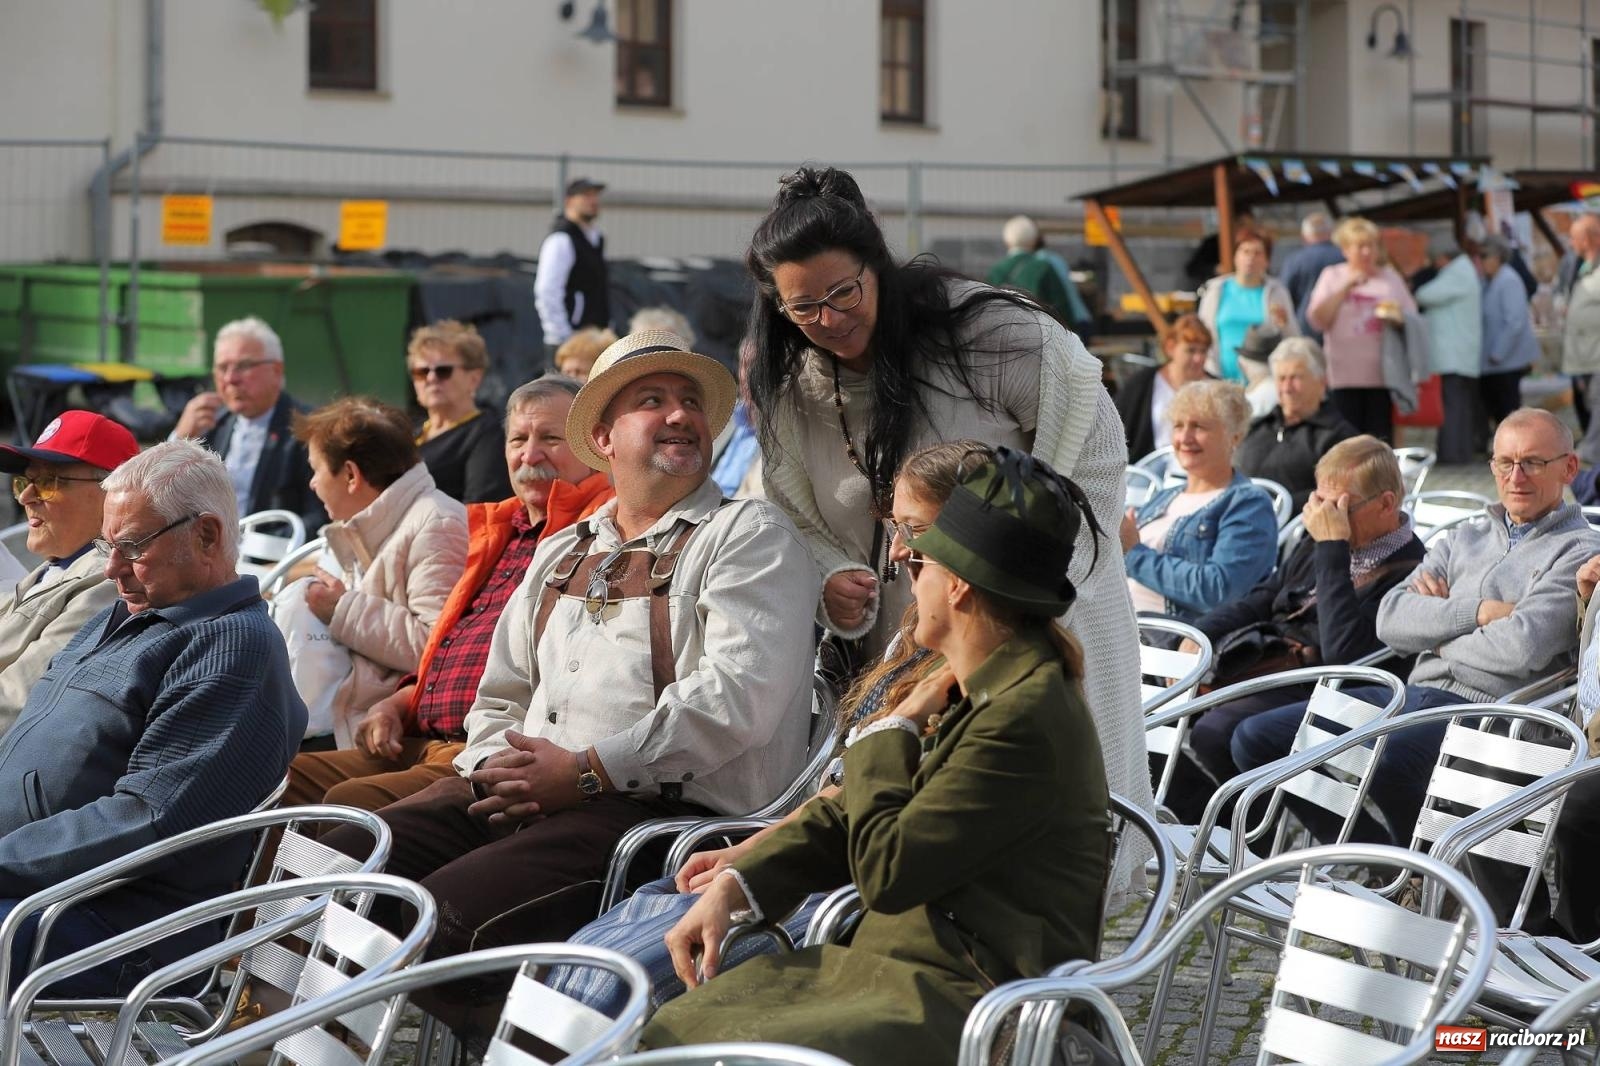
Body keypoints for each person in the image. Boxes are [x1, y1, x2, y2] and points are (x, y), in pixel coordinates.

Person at [319, 331, 818, 1028]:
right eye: (653, 400)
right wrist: (503, 766)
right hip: (531, 799)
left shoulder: (747, 535)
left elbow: (735, 702)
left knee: (441, 922)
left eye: (690, 403)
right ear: (606, 438)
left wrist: (585, 772)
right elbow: (500, 693)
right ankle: (286, 1038)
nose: (680, 415)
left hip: (659, 820)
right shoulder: (564, 549)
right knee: (334, 862)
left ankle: (517, 1039)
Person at [743, 166, 1151, 886]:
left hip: (1040, 625)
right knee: (908, 851)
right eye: (803, 307)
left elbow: (1093, 452)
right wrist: (829, 573)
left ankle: (1055, 988)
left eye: (844, 293)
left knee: (1042, 861)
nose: (829, 319)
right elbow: (786, 511)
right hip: (900, 649)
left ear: (878, 266)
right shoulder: (785, 374)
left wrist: (1013, 589)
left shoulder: (989, 333)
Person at [639, 448, 1111, 1065]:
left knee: (687, 1042)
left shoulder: (1021, 712)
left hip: (978, 1002)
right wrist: (737, 884)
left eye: (919, 562)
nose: (906, 573)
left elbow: (889, 869)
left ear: (959, 585)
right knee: (673, 1028)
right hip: (902, 971)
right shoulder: (990, 684)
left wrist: (890, 731)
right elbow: (849, 816)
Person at [546, 439, 975, 1014]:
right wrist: (749, 851)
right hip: (820, 870)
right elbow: (840, 799)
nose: (896, 553)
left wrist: (752, 876)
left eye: (915, 533)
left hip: (861, 913)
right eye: (895, 529)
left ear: (972, 546)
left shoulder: (990, 690)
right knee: (583, 963)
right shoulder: (919, 644)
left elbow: (882, 840)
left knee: (613, 990)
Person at [0, 440, 306, 994]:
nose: (112, 567)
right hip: (42, 895)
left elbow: (147, 821)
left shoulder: (231, 648)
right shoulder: (132, 609)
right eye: (105, 544)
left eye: (132, 546)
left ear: (206, 536)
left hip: (104, 929)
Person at [1232, 409, 1598, 845]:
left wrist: (1438, 636)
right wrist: (1477, 612)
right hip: (1411, 696)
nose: (1516, 475)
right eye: (1505, 462)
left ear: (1569, 468)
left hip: (1491, 712)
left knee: (1391, 759)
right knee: (1255, 738)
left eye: (1533, 462)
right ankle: (1372, 857)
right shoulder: (1465, 536)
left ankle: (1419, 874)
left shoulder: (1578, 549)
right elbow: (1391, 617)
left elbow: (1520, 648)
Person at [283, 378, 612, 809]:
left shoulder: (599, 532)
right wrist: (398, 704)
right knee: (274, 777)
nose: (530, 455)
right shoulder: (501, 530)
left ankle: (330, 879)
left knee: (348, 803)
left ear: (593, 446)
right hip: (416, 737)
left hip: (484, 749)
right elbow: (447, 647)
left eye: (551, 438)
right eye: (518, 439)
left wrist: (342, 608)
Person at [1161, 436, 1424, 823]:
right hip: (1267, 663)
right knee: (1148, 706)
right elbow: (1265, 596)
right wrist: (1197, 637)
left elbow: (1345, 654)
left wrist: (1332, 547)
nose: (1323, 515)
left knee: (1216, 730)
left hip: (1331, 684)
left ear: (1387, 504)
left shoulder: (1411, 570)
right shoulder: (1324, 537)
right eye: (1318, 502)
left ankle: (1256, 842)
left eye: (1339, 506)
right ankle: (1204, 824)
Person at [292, 398, 467, 749]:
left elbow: (434, 646)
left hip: (387, 731)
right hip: (349, 717)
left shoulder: (438, 523)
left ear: (351, 476)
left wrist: (341, 609)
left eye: (317, 470)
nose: (312, 483)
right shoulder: (364, 523)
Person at [0, 411, 139, 731]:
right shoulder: (58, 565)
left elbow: (20, 701)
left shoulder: (109, 582)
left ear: (113, 494)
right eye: (24, 481)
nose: (25, 497)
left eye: (48, 482)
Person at [1121, 381, 1278, 621]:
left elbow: (1218, 590)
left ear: (1233, 437)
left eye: (1199, 426)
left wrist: (1133, 553)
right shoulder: (1165, 497)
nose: (1185, 437)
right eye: (1178, 425)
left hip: (1173, 637)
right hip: (1119, 624)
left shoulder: (1248, 504)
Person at [173, 316, 326, 533]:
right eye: (222, 368)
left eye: (244, 366)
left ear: (277, 371)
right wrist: (179, 439)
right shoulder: (209, 422)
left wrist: (259, 548)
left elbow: (321, 517)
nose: (230, 379)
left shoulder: (309, 429)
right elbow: (166, 500)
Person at [1306, 217, 1417, 442]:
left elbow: (1413, 319)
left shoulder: (1390, 277)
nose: (1367, 252)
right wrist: (1345, 288)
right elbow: (1317, 320)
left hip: (1383, 374)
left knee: (1379, 441)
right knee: (1347, 441)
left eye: (1372, 245)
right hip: (1343, 374)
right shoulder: (1332, 275)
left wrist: (1397, 317)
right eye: (1360, 246)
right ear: (1346, 249)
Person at [1233, 337, 1357, 510]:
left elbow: (1339, 495)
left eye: (1295, 378)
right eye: (1281, 378)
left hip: (1297, 529)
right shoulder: (1255, 428)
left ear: (1321, 381)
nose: (1287, 387)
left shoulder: (1338, 438)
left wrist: (1272, 507)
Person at [408, 320, 513, 505]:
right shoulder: (410, 432)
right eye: (421, 372)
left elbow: (480, 506)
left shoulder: (488, 434)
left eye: (443, 371)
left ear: (474, 378)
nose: (431, 378)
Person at [1196, 229, 1297, 385]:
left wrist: (1284, 324)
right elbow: (1201, 333)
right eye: (1245, 251)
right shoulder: (1215, 290)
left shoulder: (1277, 292)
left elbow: (1293, 338)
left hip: (1263, 378)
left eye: (1257, 253)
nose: (1250, 258)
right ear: (1235, 256)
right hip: (1219, 376)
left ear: (1267, 260)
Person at [1414, 244, 1485, 463]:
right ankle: (1458, 452)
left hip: (1453, 357)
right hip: (1459, 356)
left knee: (1452, 408)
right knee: (1459, 407)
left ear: (1444, 258)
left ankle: (1452, 454)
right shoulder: (1464, 272)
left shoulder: (1457, 274)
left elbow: (1424, 295)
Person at [1113, 313, 1212, 462]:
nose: (1198, 358)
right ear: (1171, 348)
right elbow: (1114, 430)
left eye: (1203, 351)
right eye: (1191, 350)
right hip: (1146, 469)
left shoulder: (1215, 390)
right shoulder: (1142, 384)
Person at [535, 178, 609, 364]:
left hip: (591, 337)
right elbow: (547, 290)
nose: (593, 201)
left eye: (595, 196)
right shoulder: (561, 240)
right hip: (569, 340)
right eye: (586, 196)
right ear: (569, 201)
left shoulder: (595, 238)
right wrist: (562, 335)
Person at [1476, 235, 1540, 428]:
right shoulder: (1488, 282)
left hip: (1506, 361)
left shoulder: (1508, 280)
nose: (1482, 260)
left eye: (1485, 255)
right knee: (1496, 409)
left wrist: (1498, 353)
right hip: (1493, 363)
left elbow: (1515, 322)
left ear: (1497, 257)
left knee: (1508, 410)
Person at [986, 215, 1090, 330]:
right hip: (1042, 333)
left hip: (1008, 333)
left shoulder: (996, 270)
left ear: (1006, 240)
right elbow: (1061, 307)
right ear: (1034, 239)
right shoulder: (1044, 266)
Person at [1278, 211, 1347, 340]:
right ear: (1331, 232)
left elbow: (1284, 296)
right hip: (1340, 328)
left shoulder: (1294, 260)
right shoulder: (1345, 257)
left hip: (1304, 329)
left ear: (1304, 235)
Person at [1565, 216, 1600, 465]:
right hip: (1582, 352)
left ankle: (1591, 449)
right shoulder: (1577, 264)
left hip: (1597, 349)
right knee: (1587, 402)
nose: (1570, 242)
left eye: (1574, 237)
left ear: (1588, 239)